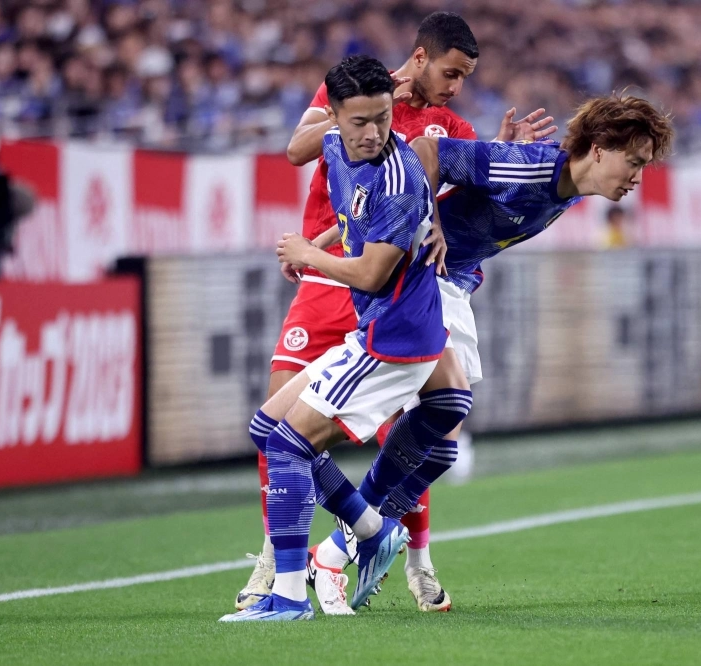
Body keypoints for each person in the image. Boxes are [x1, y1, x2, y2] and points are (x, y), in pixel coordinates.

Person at [237, 10, 555, 615]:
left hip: (383, 277)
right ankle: (286, 555)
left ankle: (414, 559)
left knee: (406, 428)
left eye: (464, 76)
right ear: (419, 58)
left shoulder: (446, 125)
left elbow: (457, 194)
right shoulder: (355, 92)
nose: (457, 86)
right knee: (278, 424)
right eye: (451, 72)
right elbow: (298, 148)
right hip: (331, 273)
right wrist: (363, 111)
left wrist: (500, 160)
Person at [219, 55, 464, 623]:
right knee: (266, 427)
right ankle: (371, 530)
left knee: (286, 443)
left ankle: (285, 596)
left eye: (383, 118)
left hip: (394, 341)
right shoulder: (335, 147)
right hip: (376, 329)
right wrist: (326, 239)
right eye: (359, 121)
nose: (374, 132)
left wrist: (310, 255)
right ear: (335, 118)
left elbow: (375, 271)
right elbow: (353, 215)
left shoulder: (399, 177)